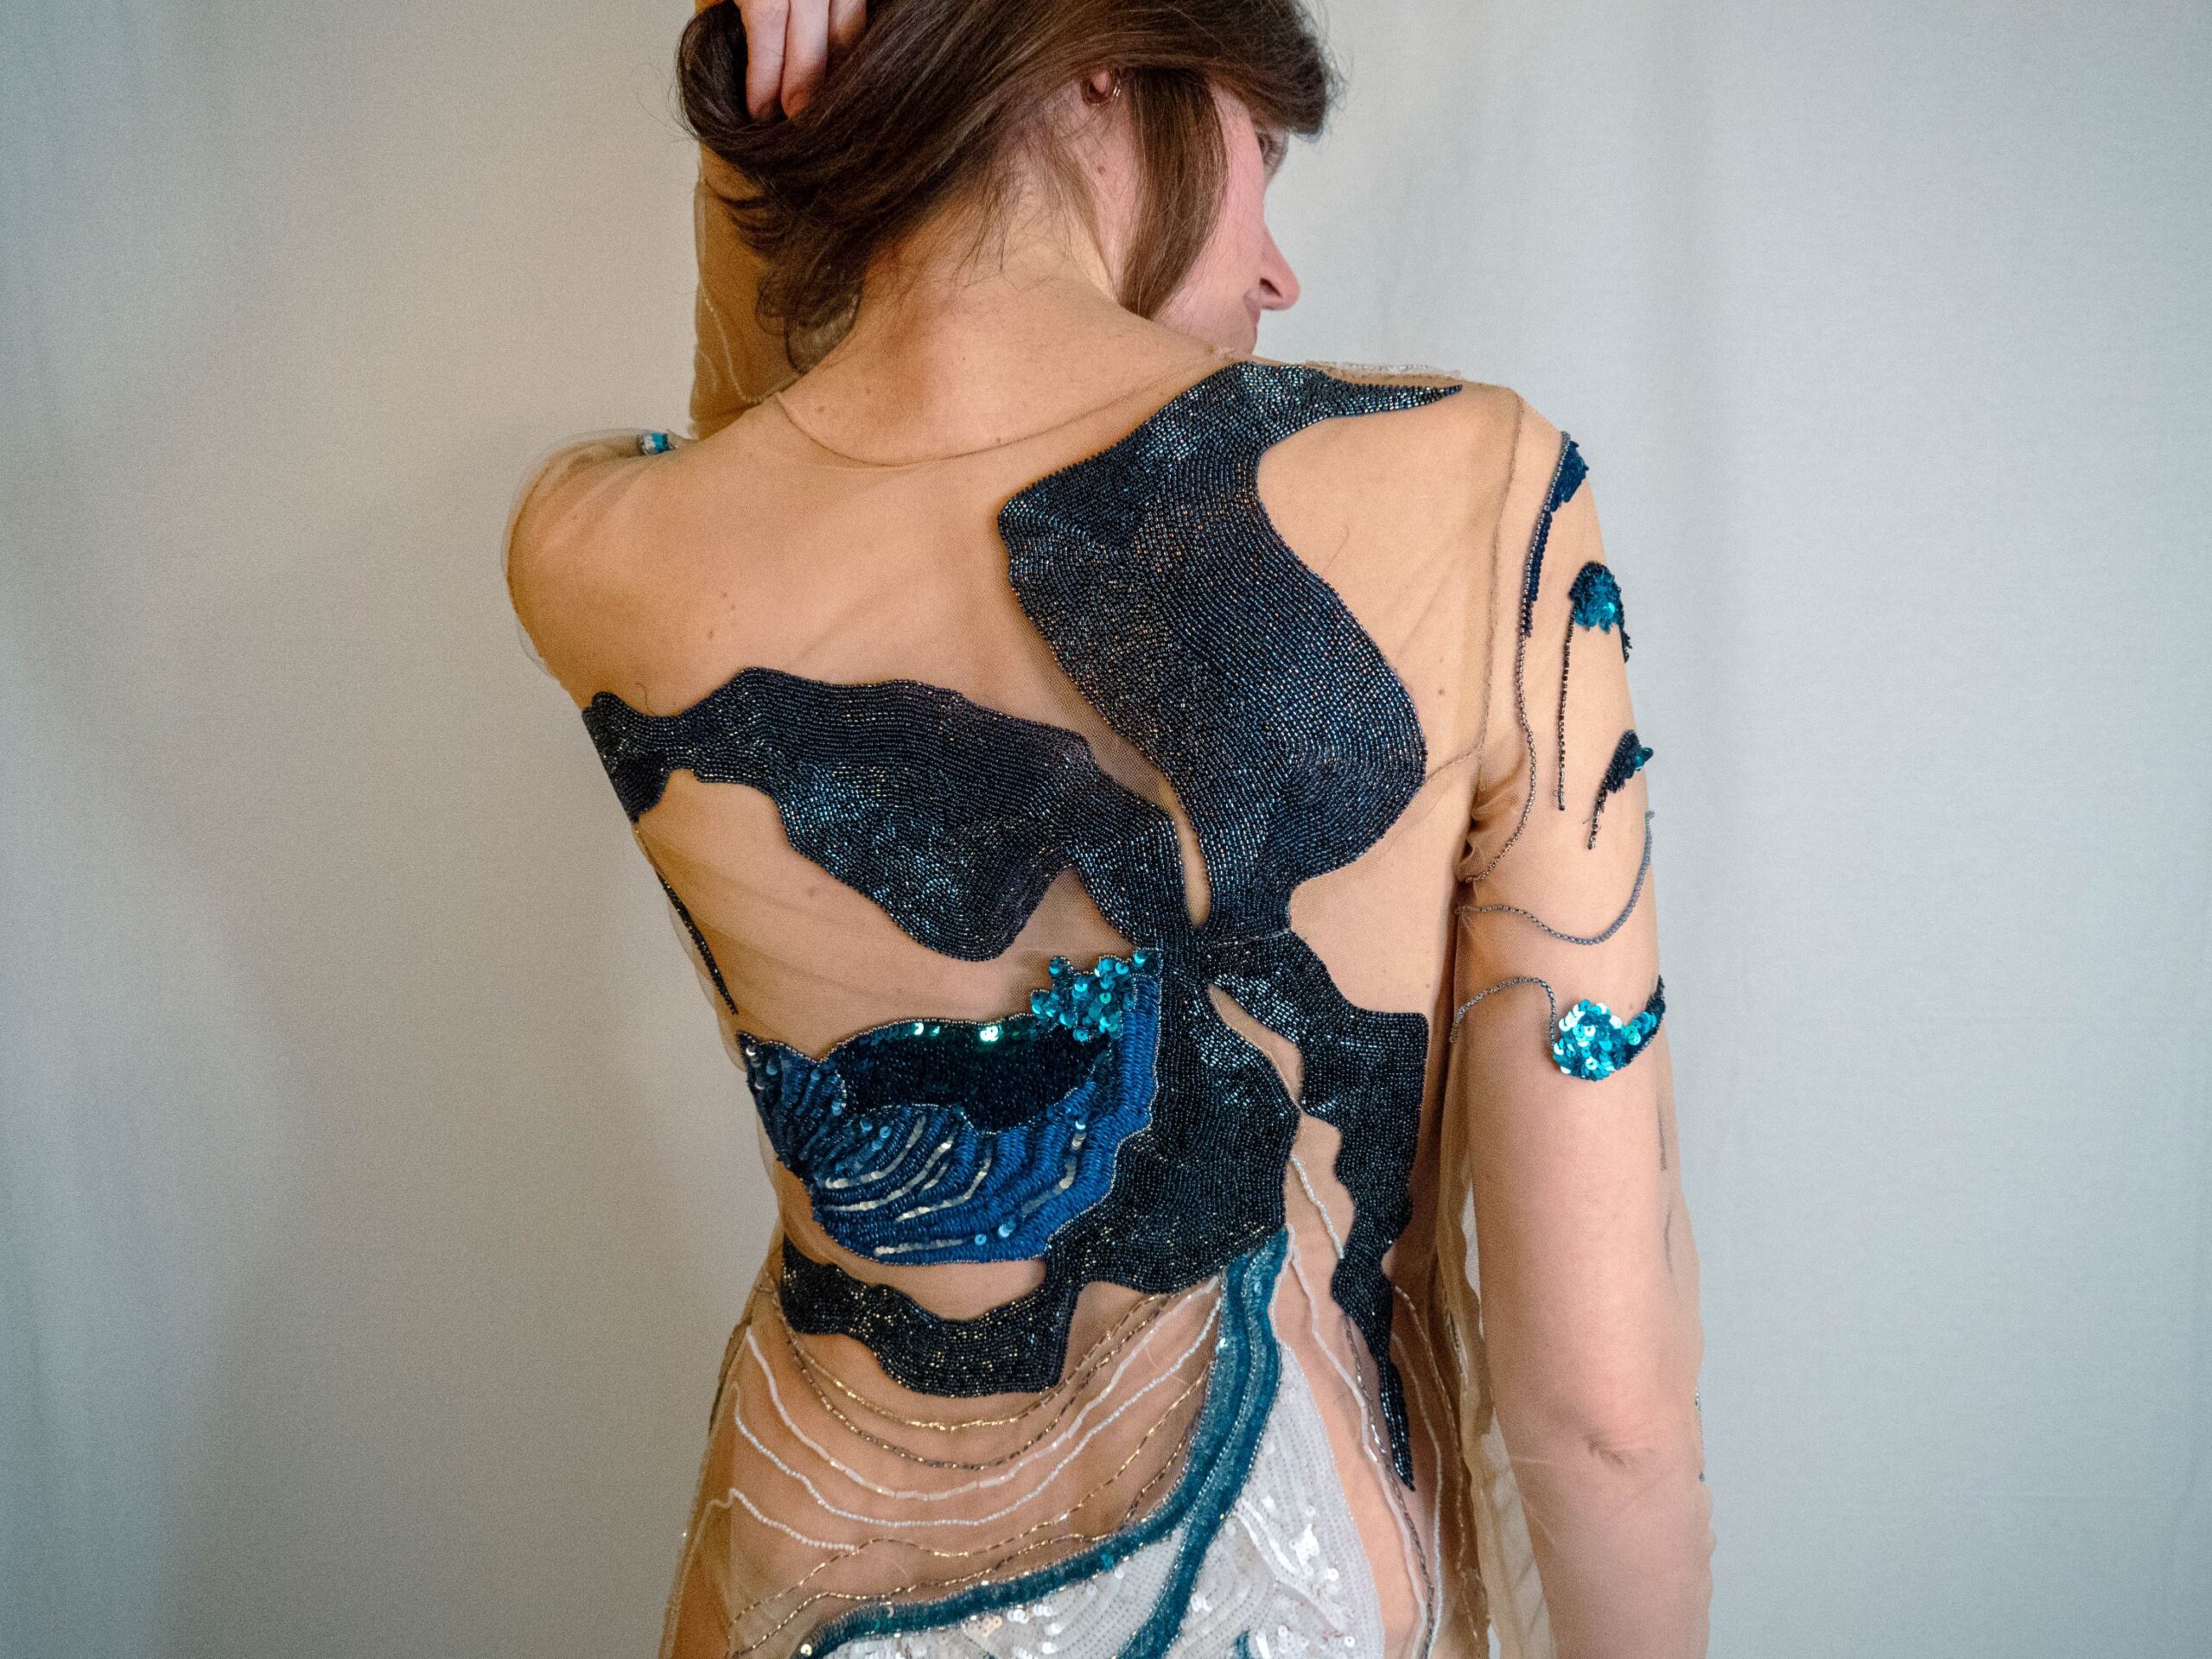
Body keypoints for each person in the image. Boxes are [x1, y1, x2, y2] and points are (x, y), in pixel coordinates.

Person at [504, 2, 1712, 1654]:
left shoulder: (594, 549)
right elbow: (1603, 1418)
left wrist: (769, 135)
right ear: (1099, 57)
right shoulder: (1471, 488)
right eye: (1256, 148)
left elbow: (752, 449)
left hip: (797, 1585)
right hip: (1271, 1590)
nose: (1277, 268)